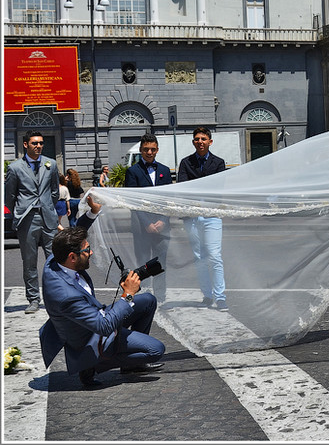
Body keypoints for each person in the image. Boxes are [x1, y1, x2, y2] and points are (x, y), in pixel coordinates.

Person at [38, 200, 165, 388]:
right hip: (90, 337)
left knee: (147, 300)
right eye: (87, 250)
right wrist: (127, 295)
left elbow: (70, 236)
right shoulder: (65, 296)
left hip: (96, 318)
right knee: (156, 349)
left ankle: (131, 365)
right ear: (73, 257)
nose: (91, 252)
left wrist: (92, 212)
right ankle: (93, 365)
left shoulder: (57, 259)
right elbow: (103, 326)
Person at [5, 130, 60, 314]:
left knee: (55, 260)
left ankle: (56, 298)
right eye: (35, 143)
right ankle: (34, 299)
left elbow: (54, 191)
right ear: (26, 145)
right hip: (27, 219)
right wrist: (19, 212)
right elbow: (9, 196)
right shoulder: (15, 168)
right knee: (29, 262)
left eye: (41, 143)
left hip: (47, 217)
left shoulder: (50, 164)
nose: (38, 146)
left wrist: (48, 208)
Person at [177, 127, 229, 311]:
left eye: (203, 138)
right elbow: (183, 186)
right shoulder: (185, 163)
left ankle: (220, 297)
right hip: (191, 216)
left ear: (210, 142)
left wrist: (198, 193)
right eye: (197, 139)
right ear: (193, 142)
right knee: (199, 257)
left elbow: (217, 187)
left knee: (215, 256)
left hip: (212, 215)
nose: (200, 141)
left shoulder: (219, 163)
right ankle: (207, 295)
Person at [124, 134, 172, 303]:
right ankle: (143, 296)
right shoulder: (132, 172)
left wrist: (162, 220)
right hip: (141, 226)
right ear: (140, 151)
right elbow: (133, 202)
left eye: (152, 149)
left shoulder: (165, 171)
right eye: (146, 150)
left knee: (160, 263)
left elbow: (168, 200)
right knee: (143, 263)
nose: (149, 152)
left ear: (157, 150)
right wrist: (147, 223)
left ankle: (160, 297)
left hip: (162, 226)